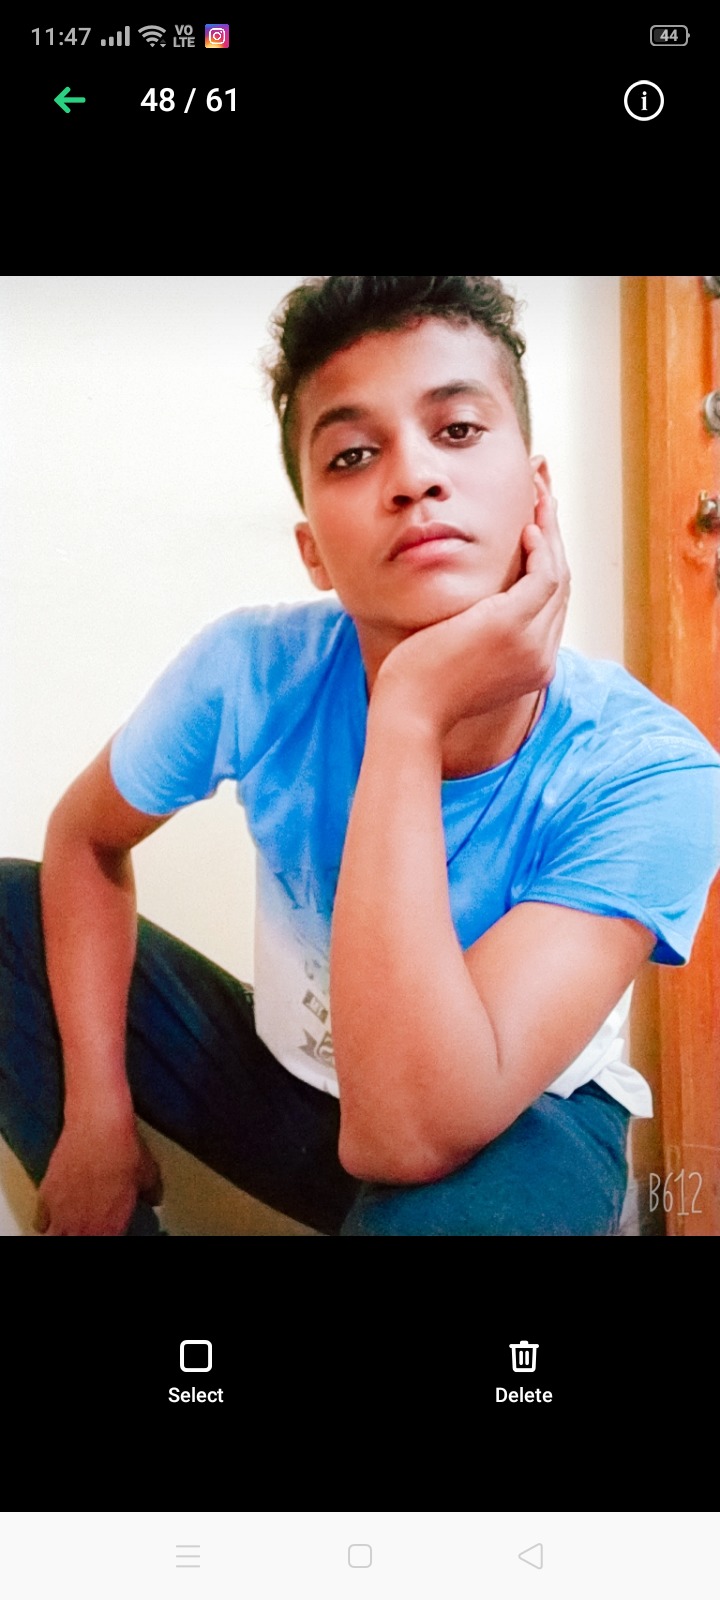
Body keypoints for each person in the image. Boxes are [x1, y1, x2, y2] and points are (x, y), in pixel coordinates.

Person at [2, 274, 720, 1237]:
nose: (414, 478)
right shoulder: (253, 668)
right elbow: (85, 838)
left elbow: (408, 1134)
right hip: (299, 1089)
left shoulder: (649, 771)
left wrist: (410, 710)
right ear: (313, 552)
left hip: (518, 1117)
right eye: (352, 454)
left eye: (457, 429)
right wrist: (95, 1112)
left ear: (538, 494)